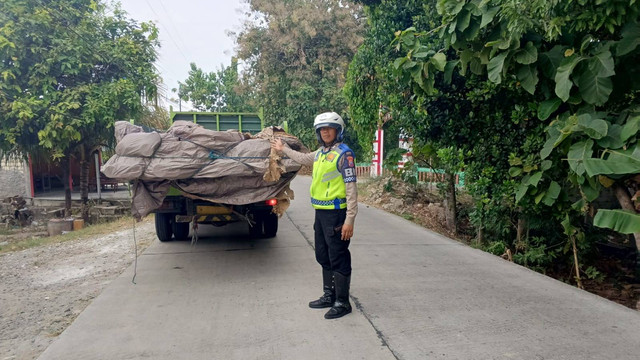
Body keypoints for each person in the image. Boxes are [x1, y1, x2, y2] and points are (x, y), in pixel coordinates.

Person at [271, 112, 358, 319]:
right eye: (321, 129)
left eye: (329, 128)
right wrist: (283, 149)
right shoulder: (320, 154)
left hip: (337, 214)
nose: (325, 132)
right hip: (321, 213)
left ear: (338, 130)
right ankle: (329, 294)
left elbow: (351, 188)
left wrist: (350, 220)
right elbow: (302, 158)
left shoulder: (344, 155)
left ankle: (342, 302)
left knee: (338, 256)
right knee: (322, 254)